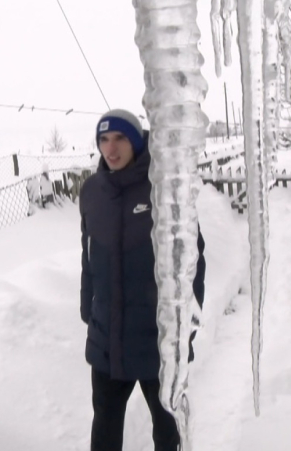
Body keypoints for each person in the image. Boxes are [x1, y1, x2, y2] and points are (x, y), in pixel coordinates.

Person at [79, 108, 206, 451]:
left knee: (167, 432)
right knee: (104, 431)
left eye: (120, 138)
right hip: (107, 338)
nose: (111, 148)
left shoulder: (163, 187)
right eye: (104, 140)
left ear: (136, 141)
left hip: (158, 340)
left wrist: (186, 319)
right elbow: (87, 254)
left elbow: (192, 255)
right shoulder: (91, 192)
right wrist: (87, 306)